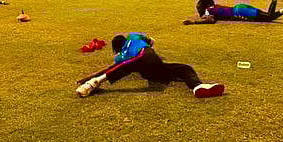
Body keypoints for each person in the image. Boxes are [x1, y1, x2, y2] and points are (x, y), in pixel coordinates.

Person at [75, 32, 225, 98]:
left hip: (147, 71)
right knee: (185, 68)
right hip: (153, 62)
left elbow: (111, 67)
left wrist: (91, 75)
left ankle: (92, 83)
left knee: (130, 63)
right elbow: (151, 41)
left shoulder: (121, 56)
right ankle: (197, 85)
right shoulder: (134, 36)